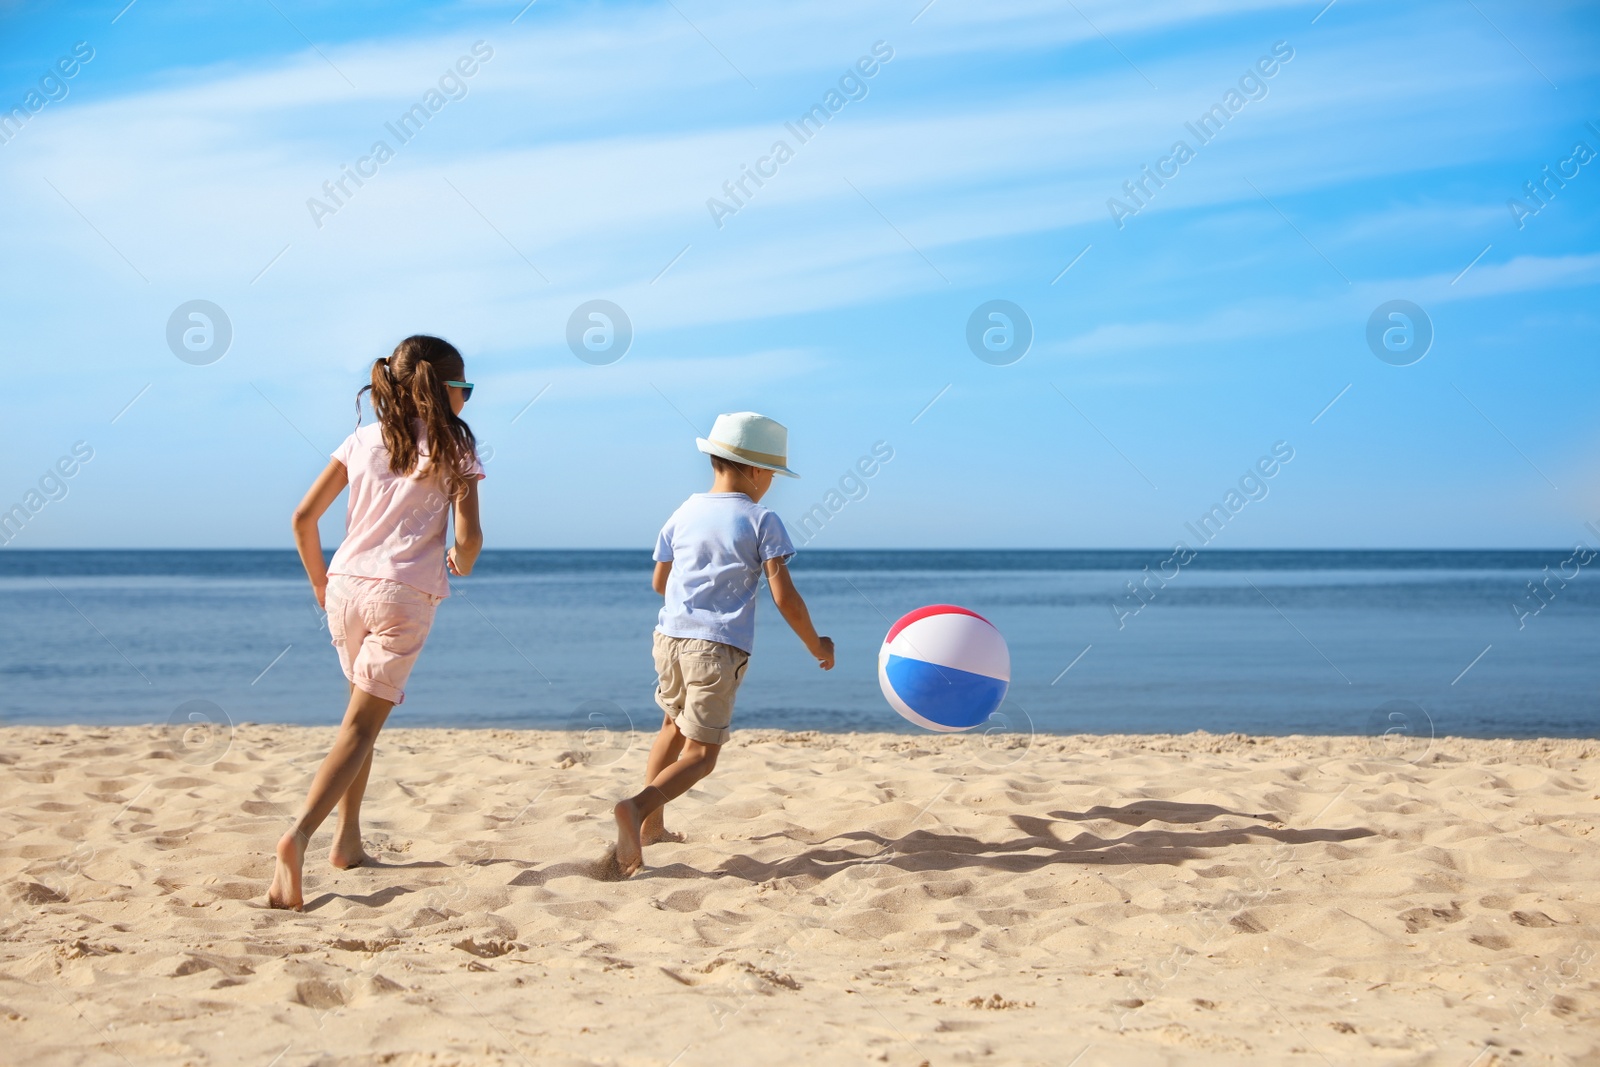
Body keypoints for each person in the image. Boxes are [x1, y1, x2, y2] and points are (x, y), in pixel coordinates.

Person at [268, 335, 484, 910]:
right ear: (442, 391)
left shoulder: (360, 441)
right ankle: (299, 837)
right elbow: (468, 538)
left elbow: (303, 518)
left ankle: (348, 840)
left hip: (345, 588)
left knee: (355, 719)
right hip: (402, 595)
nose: (467, 400)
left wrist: (320, 581)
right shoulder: (454, 445)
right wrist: (461, 561)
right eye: (463, 388)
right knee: (361, 729)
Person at [614, 412, 834, 876]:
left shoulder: (683, 511)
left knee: (671, 728)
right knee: (701, 755)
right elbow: (785, 598)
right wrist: (817, 644)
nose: (772, 483)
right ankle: (636, 809)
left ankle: (653, 827)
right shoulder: (761, 520)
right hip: (715, 649)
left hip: (668, 638)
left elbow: (660, 582)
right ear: (755, 470)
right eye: (773, 474)